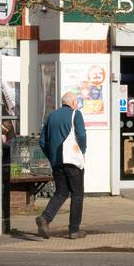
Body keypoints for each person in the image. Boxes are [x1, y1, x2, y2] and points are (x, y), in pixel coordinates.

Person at [37, 91, 87, 239]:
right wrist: (82, 151)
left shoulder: (51, 116)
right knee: (77, 194)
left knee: (61, 192)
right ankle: (74, 230)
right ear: (72, 103)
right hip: (72, 161)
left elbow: (42, 141)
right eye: (76, 102)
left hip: (57, 162)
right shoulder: (75, 114)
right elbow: (82, 135)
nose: (76, 104)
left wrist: (52, 157)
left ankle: (45, 218)